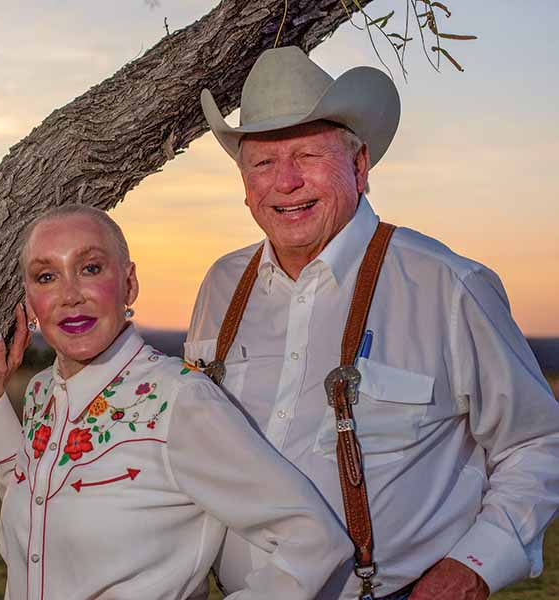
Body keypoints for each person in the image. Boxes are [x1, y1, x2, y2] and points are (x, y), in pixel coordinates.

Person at [185, 46, 559, 600]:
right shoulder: (223, 284)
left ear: (359, 167)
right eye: (263, 162)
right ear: (245, 185)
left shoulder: (447, 286)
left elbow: (539, 442)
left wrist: (474, 567)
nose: (285, 182)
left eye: (308, 155)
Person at [0, 204, 353, 600]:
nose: (69, 295)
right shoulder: (42, 392)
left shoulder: (180, 399)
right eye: (46, 277)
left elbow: (314, 540)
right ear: (30, 303)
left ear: (128, 284)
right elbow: (35, 510)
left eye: (91, 268)